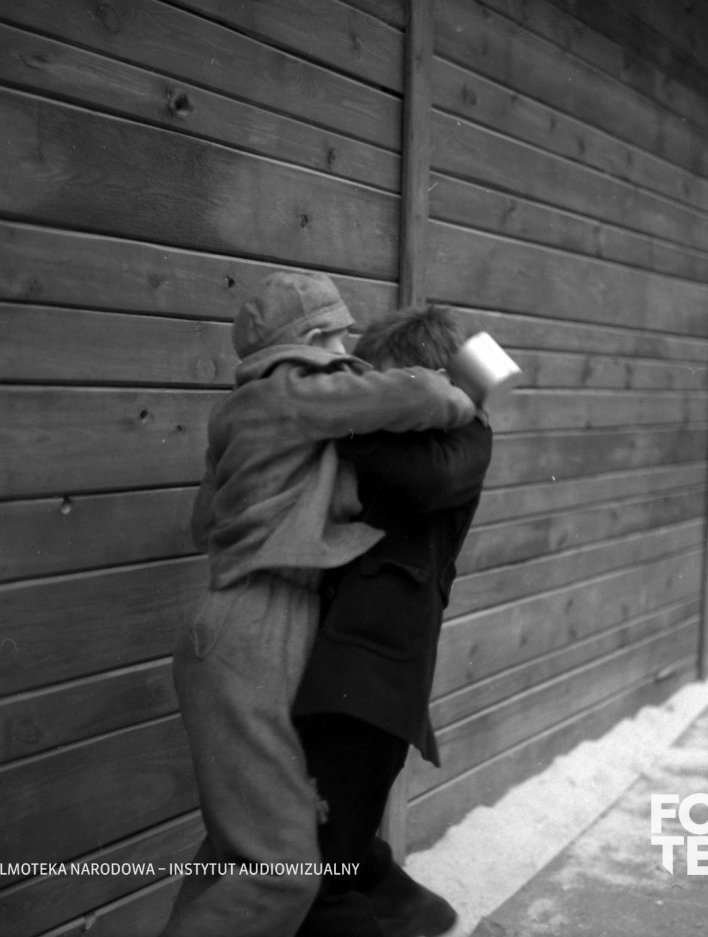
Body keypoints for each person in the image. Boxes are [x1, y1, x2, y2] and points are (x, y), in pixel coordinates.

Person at [161, 273, 478, 937]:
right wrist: (466, 395)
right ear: (310, 340)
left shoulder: (248, 409)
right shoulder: (295, 391)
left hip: (247, 618)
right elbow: (421, 392)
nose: (350, 352)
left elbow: (202, 524)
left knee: (245, 848)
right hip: (258, 620)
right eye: (340, 338)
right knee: (279, 868)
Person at [293, 305, 494, 937]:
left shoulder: (466, 436)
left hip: (377, 676)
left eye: (391, 386)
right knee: (334, 844)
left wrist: (341, 422)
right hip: (334, 668)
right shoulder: (403, 437)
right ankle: (417, 914)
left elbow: (428, 480)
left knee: (321, 874)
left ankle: (409, 915)